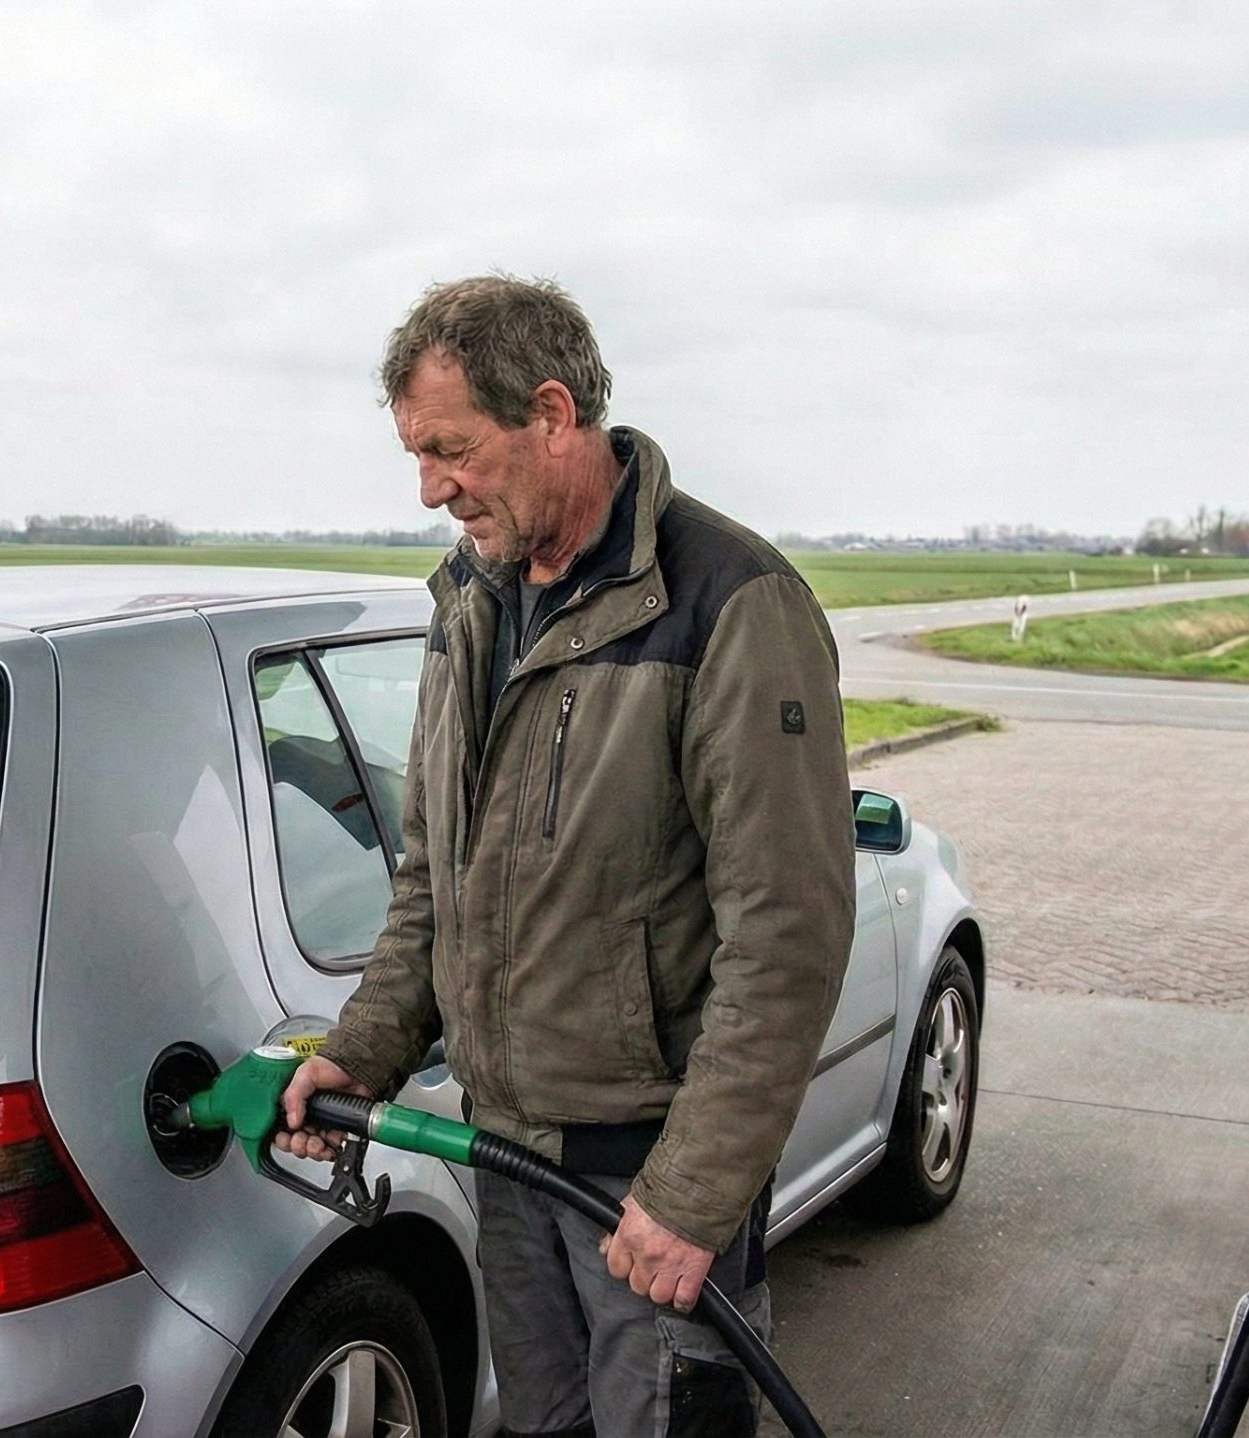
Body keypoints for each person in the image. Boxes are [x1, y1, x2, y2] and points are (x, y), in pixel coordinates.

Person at [275, 275, 854, 1438]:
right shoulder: (471, 604)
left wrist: (690, 1195)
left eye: (449, 450)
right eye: (415, 455)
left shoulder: (730, 605)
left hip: (644, 1182)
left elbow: (785, 936)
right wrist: (363, 1053)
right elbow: (433, 881)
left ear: (549, 413)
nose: (431, 489)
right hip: (507, 1163)